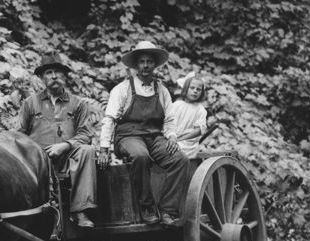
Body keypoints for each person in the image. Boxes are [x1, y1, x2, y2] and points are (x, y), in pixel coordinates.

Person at [97, 40, 190, 227]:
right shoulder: (123, 89)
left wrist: (171, 136)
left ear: (154, 64)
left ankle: (167, 210)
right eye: (142, 62)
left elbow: (170, 119)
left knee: (180, 160)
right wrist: (104, 149)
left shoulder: (161, 90)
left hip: (154, 137)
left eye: (149, 61)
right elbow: (109, 119)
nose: (146, 66)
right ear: (136, 65)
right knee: (140, 156)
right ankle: (147, 207)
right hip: (127, 137)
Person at [15, 54, 98, 228]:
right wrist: (33, 154)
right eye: (49, 73)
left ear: (64, 76)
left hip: (68, 157)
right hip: (38, 160)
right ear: (42, 78)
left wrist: (65, 145)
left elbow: (85, 134)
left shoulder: (78, 104)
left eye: (58, 72)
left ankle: (80, 211)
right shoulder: (30, 103)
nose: (54, 76)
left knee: (87, 150)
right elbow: (19, 135)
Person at [171, 74, 209, 159]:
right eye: (192, 88)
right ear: (185, 89)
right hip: (173, 139)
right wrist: (173, 138)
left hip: (188, 144)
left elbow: (198, 130)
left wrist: (181, 139)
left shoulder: (200, 109)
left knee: (176, 150)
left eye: (198, 89)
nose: (195, 91)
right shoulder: (176, 105)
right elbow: (169, 124)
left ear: (201, 92)